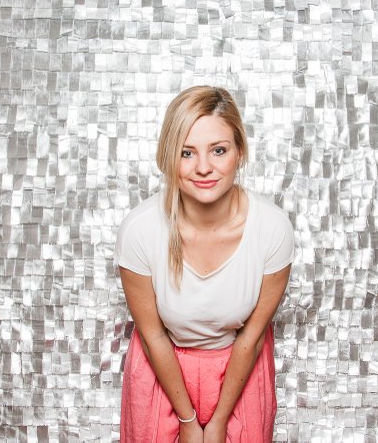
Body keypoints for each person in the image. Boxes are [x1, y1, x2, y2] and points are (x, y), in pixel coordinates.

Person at [115, 86, 294, 442]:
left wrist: (218, 421)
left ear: (239, 152)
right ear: (169, 156)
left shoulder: (273, 229)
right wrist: (187, 419)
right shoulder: (139, 230)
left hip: (239, 375)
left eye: (218, 150)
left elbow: (252, 336)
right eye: (187, 152)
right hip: (162, 375)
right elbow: (152, 336)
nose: (203, 168)